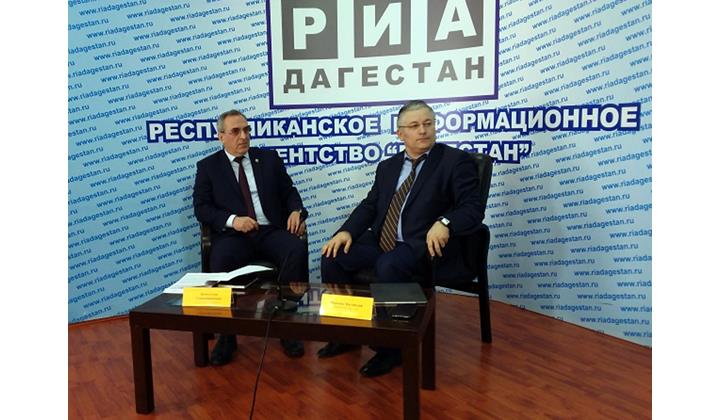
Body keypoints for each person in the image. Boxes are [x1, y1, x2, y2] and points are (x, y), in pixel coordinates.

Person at [319, 100, 484, 377]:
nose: (423, 130)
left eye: (428, 124)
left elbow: (473, 208)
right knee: (334, 255)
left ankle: (391, 349)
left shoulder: (455, 162)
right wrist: (346, 231)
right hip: (382, 241)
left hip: (421, 244)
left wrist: (445, 222)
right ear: (400, 134)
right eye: (415, 126)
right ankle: (346, 333)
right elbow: (371, 205)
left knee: (389, 265)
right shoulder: (388, 166)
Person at [193, 109, 308, 365]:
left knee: (295, 249)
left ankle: (287, 327)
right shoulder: (208, 167)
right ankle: (227, 336)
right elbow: (201, 208)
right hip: (234, 236)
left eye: (246, 130)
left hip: (269, 231)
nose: (243, 136)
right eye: (236, 131)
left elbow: (289, 191)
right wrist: (233, 220)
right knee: (220, 260)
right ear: (221, 136)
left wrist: (295, 210)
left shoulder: (268, 159)